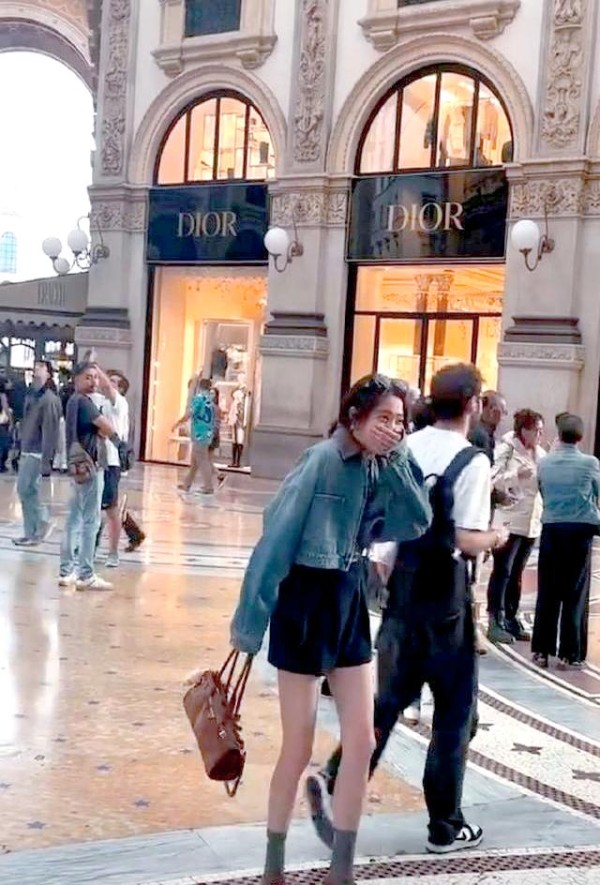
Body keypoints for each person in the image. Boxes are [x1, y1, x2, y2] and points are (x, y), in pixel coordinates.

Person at [230, 374, 431, 885]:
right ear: (354, 417)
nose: (392, 428)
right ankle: (273, 867)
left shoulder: (382, 467)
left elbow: (417, 521)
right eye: (383, 418)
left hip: (348, 599)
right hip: (304, 602)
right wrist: (249, 628)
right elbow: (275, 540)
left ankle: (341, 870)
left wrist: (398, 459)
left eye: (400, 421)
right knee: (297, 746)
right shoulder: (321, 460)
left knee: (361, 741)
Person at [309, 364, 509, 857]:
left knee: (387, 701)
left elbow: (385, 532)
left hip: (403, 596)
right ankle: (445, 826)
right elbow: (464, 537)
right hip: (447, 603)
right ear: (472, 404)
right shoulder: (472, 461)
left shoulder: (407, 447)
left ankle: (336, 779)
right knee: (455, 714)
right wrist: (497, 537)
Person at [531, 413, 600, 670]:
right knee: (575, 592)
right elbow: (597, 491)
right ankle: (570, 654)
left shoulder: (544, 463)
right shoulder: (590, 463)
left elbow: (542, 490)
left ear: (559, 435)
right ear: (580, 437)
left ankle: (542, 650)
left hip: (552, 528)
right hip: (580, 530)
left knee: (548, 590)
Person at [59, 361, 126, 592]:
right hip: (90, 466)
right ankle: (86, 574)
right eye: (88, 377)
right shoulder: (84, 402)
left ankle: (66, 571)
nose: (93, 382)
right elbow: (105, 426)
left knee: (74, 519)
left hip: (77, 466)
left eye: (96, 377)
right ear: (76, 379)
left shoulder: (72, 401)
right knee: (91, 521)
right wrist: (120, 444)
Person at [486, 409, 545, 644]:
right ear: (524, 430)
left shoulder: (540, 453)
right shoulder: (506, 449)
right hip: (509, 520)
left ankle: (511, 617)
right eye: (536, 430)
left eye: (541, 430)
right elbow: (492, 479)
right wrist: (515, 475)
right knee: (503, 571)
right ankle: (495, 620)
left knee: (517, 573)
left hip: (531, 521)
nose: (540, 435)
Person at [13, 361, 61, 547]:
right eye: (35, 367)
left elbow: (51, 430)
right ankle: (31, 531)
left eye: (40, 367)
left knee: (26, 489)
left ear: (48, 374)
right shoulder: (32, 395)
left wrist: (47, 459)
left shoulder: (49, 399)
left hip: (37, 451)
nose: (36, 370)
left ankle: (42, 522)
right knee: (26, 491)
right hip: (28, 448)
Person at [91, 366, 130, 568]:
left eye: (114, 382)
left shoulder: (119, 403)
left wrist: (96, 368)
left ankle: (113, 552)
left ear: (120, 389)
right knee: (95, 508)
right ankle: (91, 546)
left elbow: (105, 387)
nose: (109, 384)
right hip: (97, 460)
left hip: (112, 462)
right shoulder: (101, 402)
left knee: (111, 509)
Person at [174, 377, 220, 494]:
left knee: (203, 460)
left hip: (199, 434)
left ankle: (208, 486)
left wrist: (177, 423)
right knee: (195, 461)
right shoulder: (210, 401)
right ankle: (187, 484)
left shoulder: (199, 399)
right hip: (207, 434)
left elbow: (189, 414)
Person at [468, 390, 507, 463]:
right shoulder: (481, 438)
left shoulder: (474, 431)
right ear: (492, 411)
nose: (503, 418)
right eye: (503, 412)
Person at [0, 378, 12, 473]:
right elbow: (6, 408)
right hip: (2, 423)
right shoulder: (2, 395)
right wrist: (11, 420)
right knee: (3, 444)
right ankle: (1, 465)